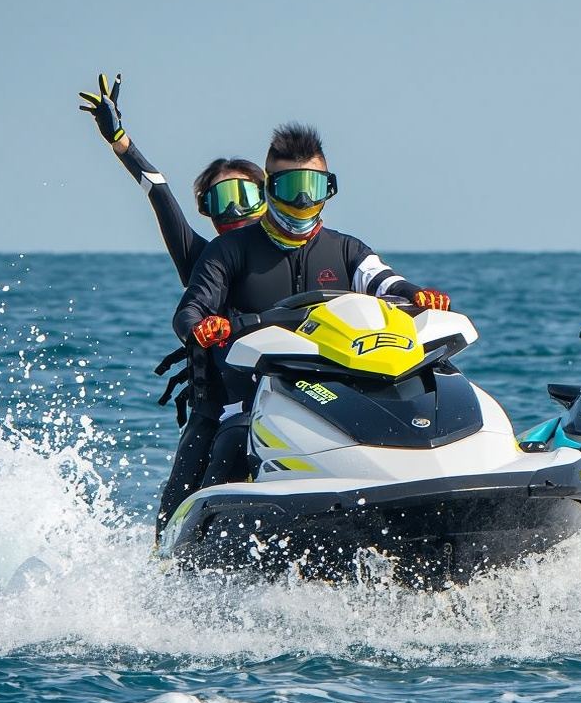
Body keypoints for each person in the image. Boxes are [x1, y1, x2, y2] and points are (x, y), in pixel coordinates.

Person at [173, 122, 451, 490]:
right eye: (291, 188)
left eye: (313, 187)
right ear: (269, 188)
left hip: (334, 396)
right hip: (246, 400)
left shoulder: (347, 250)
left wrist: (416, 294)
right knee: (229, 443)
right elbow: (191, 310)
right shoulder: (228, 250)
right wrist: (201, 327)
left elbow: (383, 280)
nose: (303, 200)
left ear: (329, 189)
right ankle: (197, 538)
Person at [78, 73, 268, 541]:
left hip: (288, 404)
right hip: (218, 411)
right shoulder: (204, 258)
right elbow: (160, 195)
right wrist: (120, 140)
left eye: (246, 195)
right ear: (207, 209)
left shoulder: (298, 261)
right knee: (175, 512)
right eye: (224, 198)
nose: (236, 209)